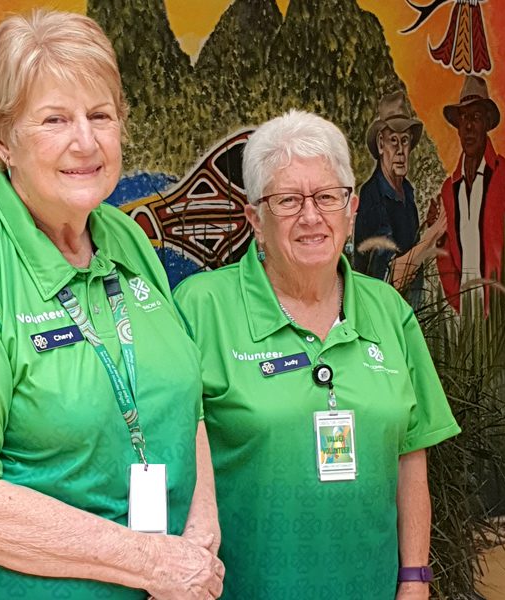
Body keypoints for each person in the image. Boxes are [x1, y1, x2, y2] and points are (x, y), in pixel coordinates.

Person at [0, 11, 223, 599]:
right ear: (4, 141)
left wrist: (200, 533)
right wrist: (149, 562)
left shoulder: (126, 239)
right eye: (54, 120)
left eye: (101, 115)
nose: (85, 141)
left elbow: (182, 401)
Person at [174, 110, 461, 599]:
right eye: (288, 200)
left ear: (351, 211)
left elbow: (412, 452)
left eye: (327, 197)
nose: (311, 216)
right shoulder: (201, 308)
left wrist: (415, 578)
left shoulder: (389, 310)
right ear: (255, 221)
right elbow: (168, 456)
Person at [353, 91, 446, 290]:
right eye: (393, 141)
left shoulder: (406, 191)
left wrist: (425, 229)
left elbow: (408, 253)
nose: (401, 151)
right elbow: (392, 274)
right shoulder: (372, 195)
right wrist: (435, 232)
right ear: (380, 144)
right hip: (381, 313)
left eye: (405, 141)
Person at [437, 75, 505, 312]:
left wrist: (499, 302)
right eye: (464, 118)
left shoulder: (502, 177)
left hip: (499, 311)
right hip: (467, 314)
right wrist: (459, 302)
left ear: (487, 123)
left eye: (476, 117)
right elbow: (445, 254)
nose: (468, 126)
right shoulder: (450, 189)